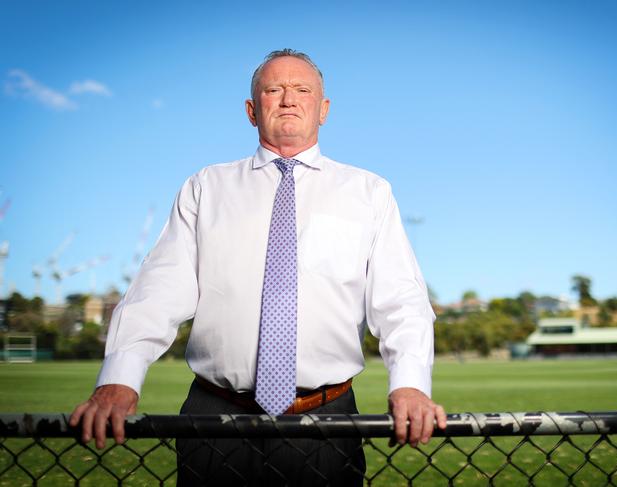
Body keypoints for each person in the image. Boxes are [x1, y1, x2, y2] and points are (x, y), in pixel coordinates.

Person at [70, 49, 447, 486]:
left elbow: (401, 299)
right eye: (274, 90)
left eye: (302, 90)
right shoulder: (206, 187)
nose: (288, 99)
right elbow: (157, 292)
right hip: (213, 421)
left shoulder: (369, 192)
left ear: (323, 109)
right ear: (252, 110)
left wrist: (411, 383)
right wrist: (119, 379)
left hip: (326, 422)